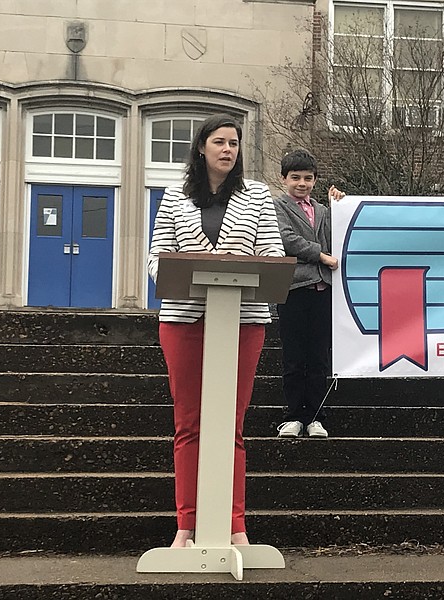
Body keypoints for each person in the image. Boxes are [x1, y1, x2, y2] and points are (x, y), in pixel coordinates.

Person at [148, 114, 284, 548]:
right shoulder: (174, 197)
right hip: (184, 320)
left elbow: (275, 256)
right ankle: (185, 526)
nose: (228, 149)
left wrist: (235, 263)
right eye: (220, 142)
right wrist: (192, 267)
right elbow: (157, 260)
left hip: (243, 321)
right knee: (188, 423)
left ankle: (235, 527)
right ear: (202, 147)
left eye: (235, 143)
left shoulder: (258, 196)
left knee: (233, 424)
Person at [273, 149, 345, 438]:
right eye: (295, 178)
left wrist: (339, 206)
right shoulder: (277, 206)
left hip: (322, 290)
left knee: (318, 356)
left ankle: (315, 417)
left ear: (315, 180)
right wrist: (320, 256)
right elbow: (286, 239)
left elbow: (335, 236)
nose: (301, 183)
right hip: (293, 289)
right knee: (294, 356)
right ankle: (293, 416)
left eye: (307, 178)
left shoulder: (323, 210)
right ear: (284, 179)